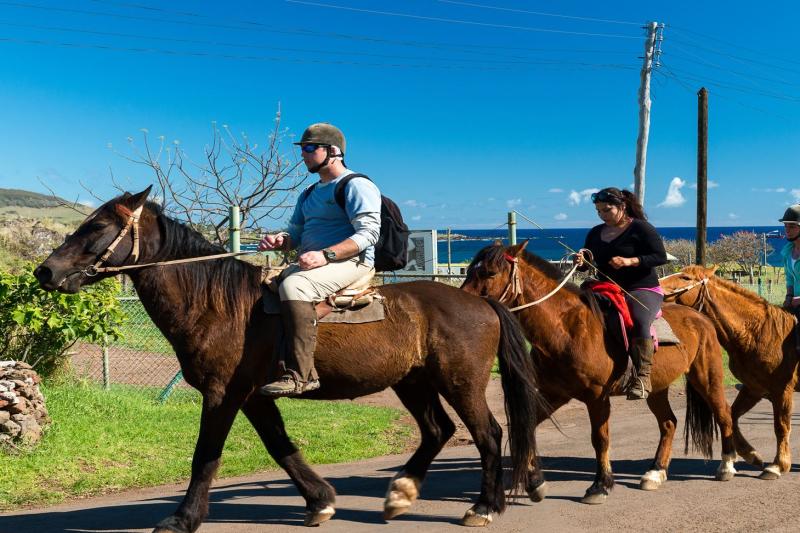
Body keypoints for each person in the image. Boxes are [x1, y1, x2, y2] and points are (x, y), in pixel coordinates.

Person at [258, 123, 381, 397]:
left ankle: (302, 375)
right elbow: (296, 232)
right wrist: (281, 239)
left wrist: (326, 255)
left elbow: (369, 233)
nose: (303, 154)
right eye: (303, 148)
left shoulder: (356, 185)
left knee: (294, 287)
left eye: (310, 148)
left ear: (333, 151)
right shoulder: (309, 193)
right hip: (315, 264)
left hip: (352, 263)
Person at [575, 187, 668, 400]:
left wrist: (630, 261)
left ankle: (643, 376)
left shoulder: (642, 228)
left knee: (638, 321)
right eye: (598, 211)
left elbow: (659, 256)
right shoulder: (595, 233)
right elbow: (588, 263)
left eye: (607, 210)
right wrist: (581, 262)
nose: (602, 215)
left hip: (641, 288)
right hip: (606, 289)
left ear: (622, 207)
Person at [779, 205, 800, 351]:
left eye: (792, 226)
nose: (787, 229)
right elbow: (790, 279)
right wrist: (789, 296)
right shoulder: (787, 252)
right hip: (795, 302)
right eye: (786, 226)